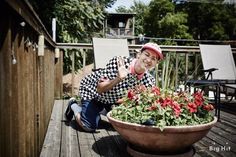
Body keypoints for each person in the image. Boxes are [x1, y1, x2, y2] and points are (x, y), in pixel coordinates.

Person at [64, 42, 164, 132]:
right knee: (89, 126)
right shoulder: (119, 63)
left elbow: (136, 102)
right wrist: (118, 78)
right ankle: (74, 105)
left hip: (114, 99)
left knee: (122, 123)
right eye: (147, 54)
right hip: (93, 92)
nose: (149, 60)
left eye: (153, 58)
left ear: (156, 63)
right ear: (139, 54)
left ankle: (102, 109)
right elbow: (100, 88)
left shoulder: (149, 81)